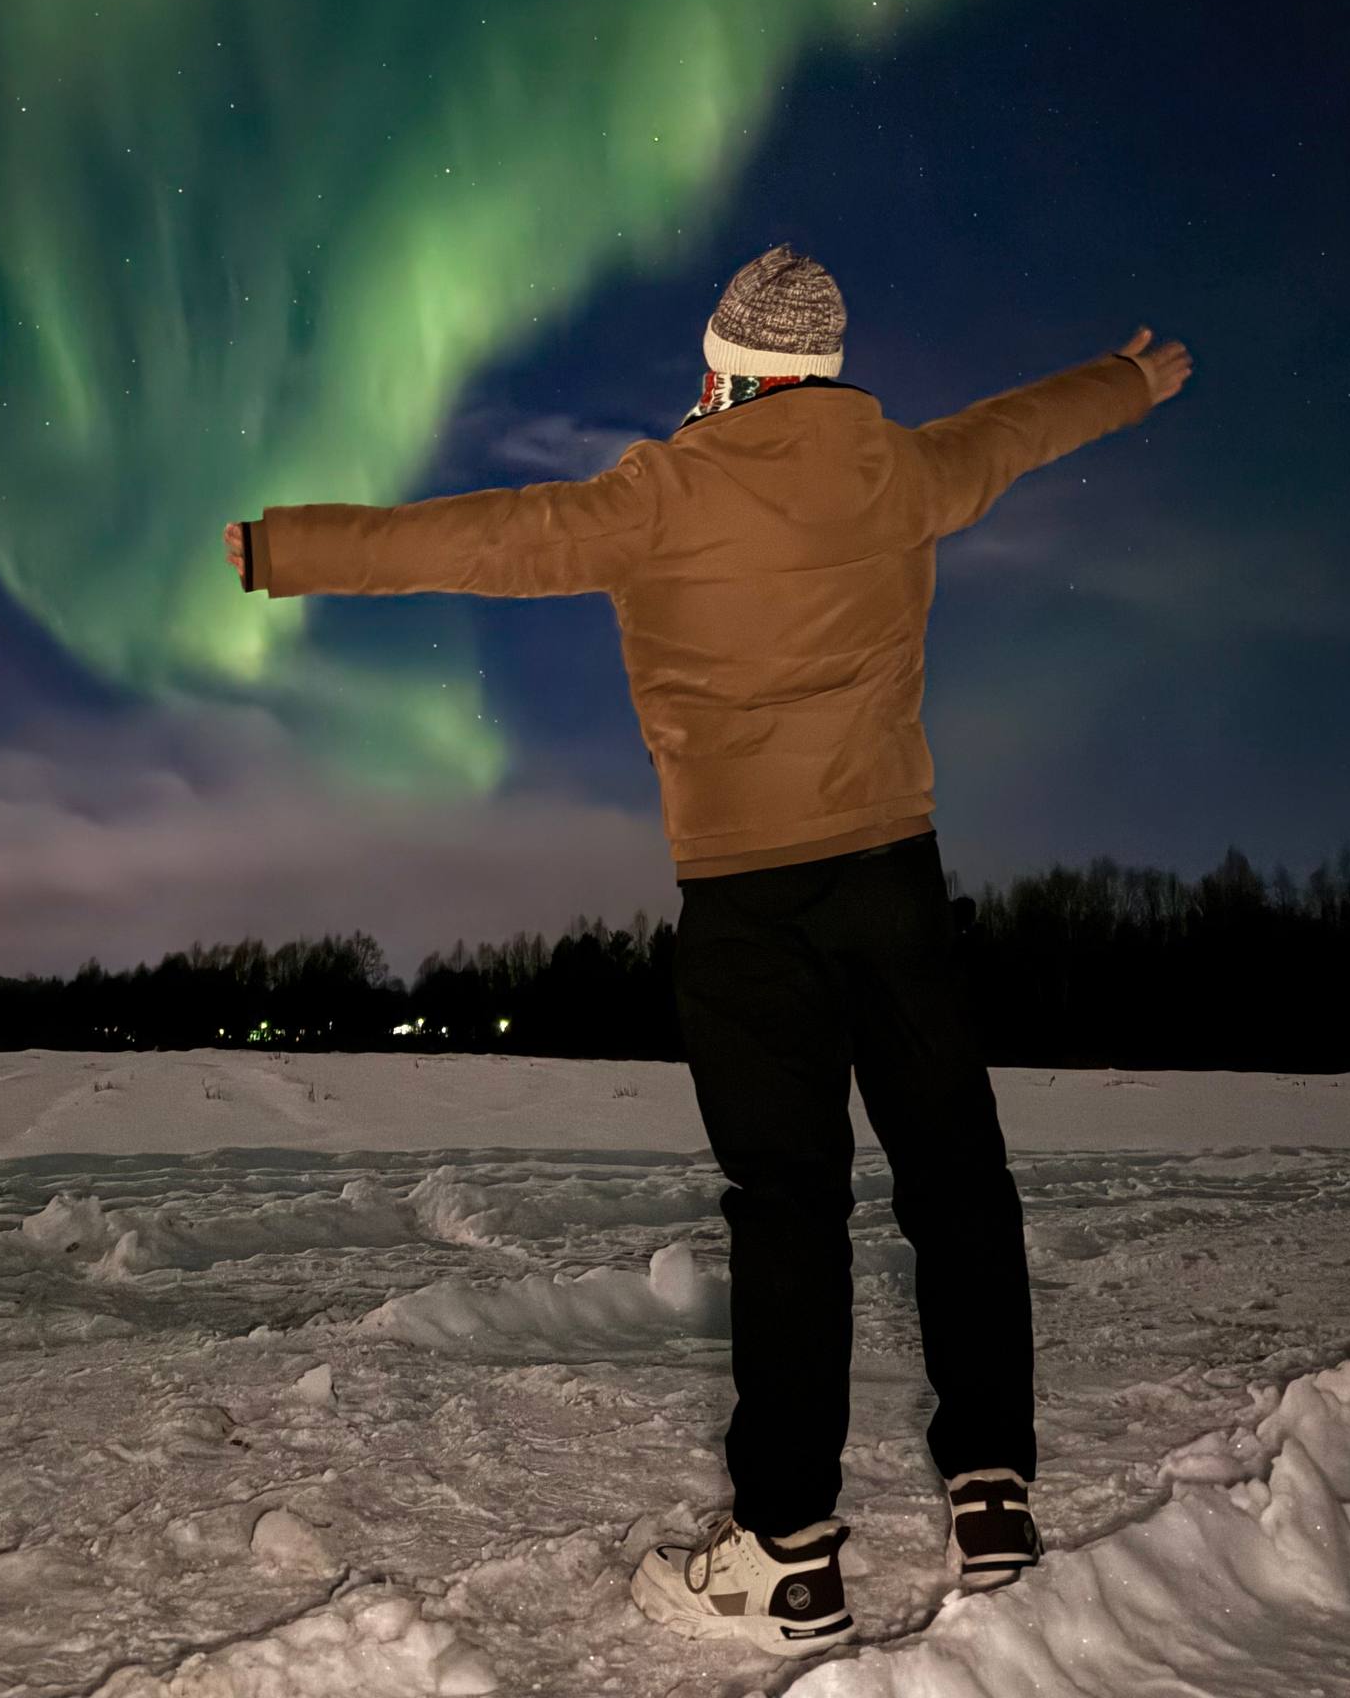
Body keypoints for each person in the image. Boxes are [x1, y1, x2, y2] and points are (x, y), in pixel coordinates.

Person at [224, 243, 1192, 1655]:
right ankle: (995, 1499)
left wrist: (287, 548)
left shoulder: (659, 498)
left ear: (730, 369)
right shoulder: (901, 472)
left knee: (791, 1207)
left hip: (748, 907)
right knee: (957, 1179)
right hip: (894, 880)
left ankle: (791, 1554)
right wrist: (1127, 378)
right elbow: (1018, 431)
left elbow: (476, 538)